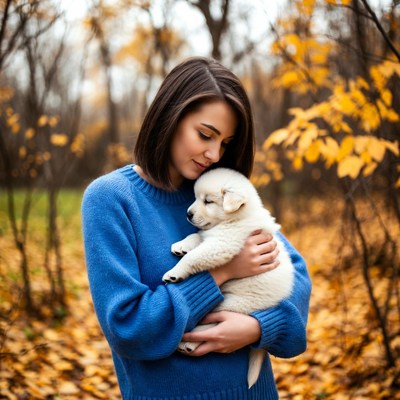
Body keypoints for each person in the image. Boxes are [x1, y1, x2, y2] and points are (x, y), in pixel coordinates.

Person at [82, 56, 311, 400]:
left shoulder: (216, 192)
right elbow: (128, 326)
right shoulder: (111, 199)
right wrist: (220, 272)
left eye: (226, 143)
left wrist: (257, 327)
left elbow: (295, 272)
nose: (214, 153)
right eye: (205, 134)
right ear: (169, 117)